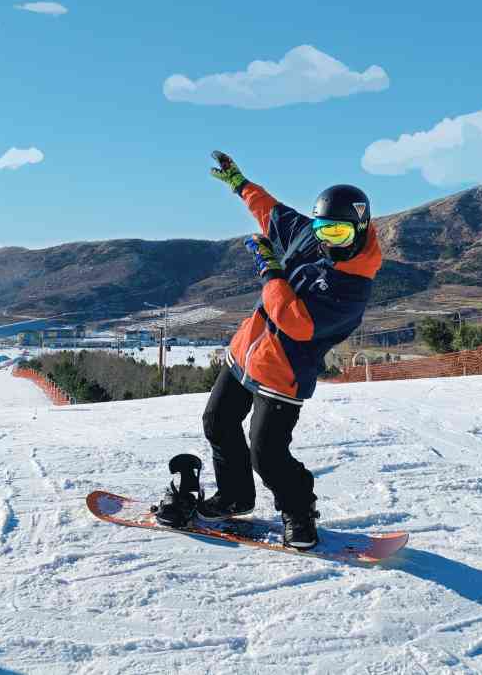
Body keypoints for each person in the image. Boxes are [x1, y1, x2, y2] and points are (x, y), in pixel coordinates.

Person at [157, 152, 382, 549]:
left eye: (339, 234)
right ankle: (235, 496)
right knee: (218, 422)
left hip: (284, 371)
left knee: (268, 454)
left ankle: (298, 510)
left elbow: (296, 322)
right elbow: (272, 212)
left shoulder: (352, 287)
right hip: (246, 352)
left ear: (360, 230)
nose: (329, 242)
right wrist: (240, 184)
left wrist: (271, 271)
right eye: (323, 231)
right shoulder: (309, 234)